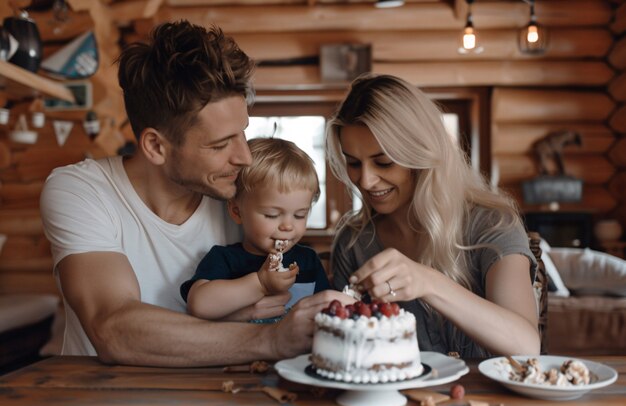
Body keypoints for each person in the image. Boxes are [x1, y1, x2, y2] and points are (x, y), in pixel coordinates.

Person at [39, 20, 350, 367]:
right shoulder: (83, 190)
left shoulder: (244, 193)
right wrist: (268, 337)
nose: (244, 157)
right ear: (156, 146)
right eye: (220, 144)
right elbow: (114, 327)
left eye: (242, 134)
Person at [326, 73, 541, 358]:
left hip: (490, 401)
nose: (365, 181)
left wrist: (428, 282)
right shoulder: (353, 242)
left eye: (383, 162)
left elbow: (527, 346)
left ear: (420, 155)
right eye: (353, 163)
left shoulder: (491, 224)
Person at [181, 138, 330, 323]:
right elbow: (198, 305)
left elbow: (327, 310)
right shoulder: (226, 259)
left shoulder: (308, 261)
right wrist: (260, 284)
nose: (288, 226)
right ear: (237, 212)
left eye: (300, 215)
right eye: (272, 215)